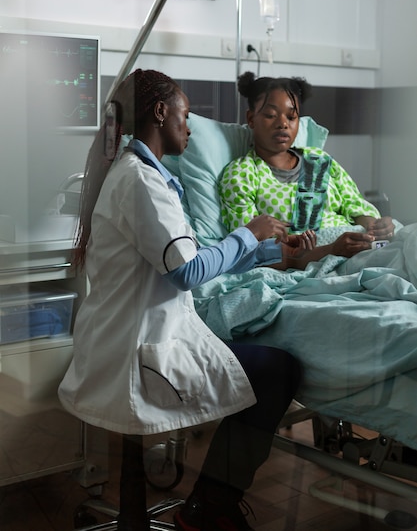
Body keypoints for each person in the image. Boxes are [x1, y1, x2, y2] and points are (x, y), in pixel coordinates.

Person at [58, 69, 314, 531]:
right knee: (279, 370)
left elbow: (195, 257)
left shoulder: (141, 176)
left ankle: (204, 503)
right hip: (138, 355)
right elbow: (187, 271)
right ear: (161, 113)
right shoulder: (140, 182)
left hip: (121, 345)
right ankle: (208, 506)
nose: (190, 127)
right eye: (185, 114)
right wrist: (249, 232)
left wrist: (271, 250)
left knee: (262, 367)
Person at [219, 71, 396, 270]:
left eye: (291, 116)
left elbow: (355, 205)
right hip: (310, 260)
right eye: (270, 115)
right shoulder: (241, 175)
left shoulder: (319, 160)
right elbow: (251, 245)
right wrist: (331, 249)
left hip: (359, 245)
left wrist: (377, 227)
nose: (283, 124)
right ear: (251, 119)